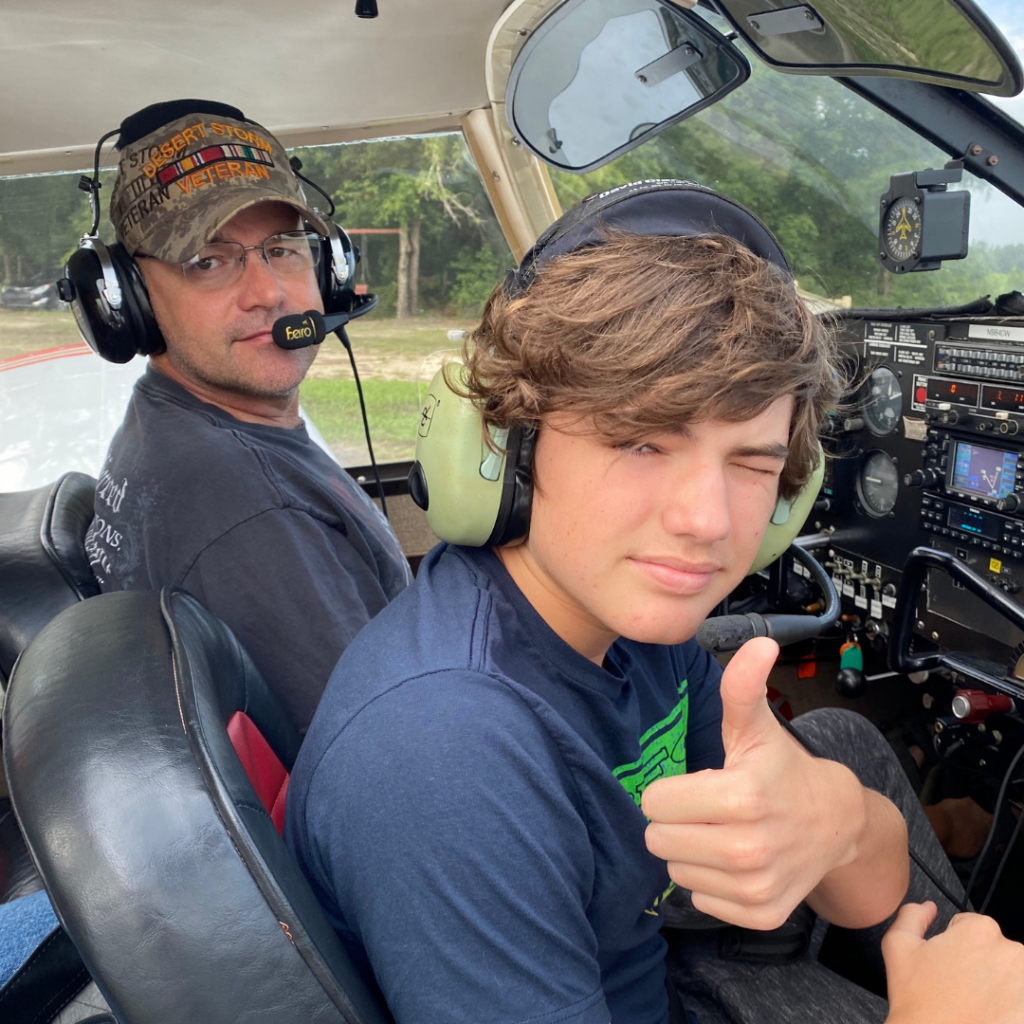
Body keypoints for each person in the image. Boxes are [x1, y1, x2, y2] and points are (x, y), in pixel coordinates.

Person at [286, 180, 1024, 1024]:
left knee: (842, 748)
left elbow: (870, 886)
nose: (707, 523)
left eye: (751, 463)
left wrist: (837, 824)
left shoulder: (636, 633)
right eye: (641, 441)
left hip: (657, 979)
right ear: (509, 448)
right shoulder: (448, 755)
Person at [81, 99, 411, 733]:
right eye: (208, 261)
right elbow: (394, 754)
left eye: (282, 249)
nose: (268, 293)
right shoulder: (246, 509)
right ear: (129, 301)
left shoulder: (176, 426)